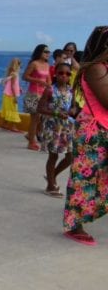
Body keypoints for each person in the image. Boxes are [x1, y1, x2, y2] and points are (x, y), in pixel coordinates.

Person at [63, 26, 108, 245]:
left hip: (104, 128)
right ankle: (74, 224)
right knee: (85, 179)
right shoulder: (96, 69)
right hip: (95, 131)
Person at [37, 62, 75, 198]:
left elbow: (74, 107)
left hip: (66, 127)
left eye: (68, 73)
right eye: (61, 73)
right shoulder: (50, 90)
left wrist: (71, 111)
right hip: (53, 126)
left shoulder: (71, 90)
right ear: (55, 74)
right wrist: (56, 114)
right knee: (53, 155)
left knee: (70, 156)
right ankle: (51, 185)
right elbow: (40, 108)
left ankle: (51, 176)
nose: (64, 76)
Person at [23, 44, 52, 150]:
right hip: (33, 94)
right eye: (45, 51)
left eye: (49, 52)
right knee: (35, 118)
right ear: (39, 52)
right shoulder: (34, 64)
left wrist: (50, 90)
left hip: (43, 95)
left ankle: (30, 135)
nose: (48, 54)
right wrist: (38, 81)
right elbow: (25, 76)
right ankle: (31, 142)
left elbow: (48, 80)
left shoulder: (47, 65)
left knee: (39, 118)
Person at [0, 58, 23, 131]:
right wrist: (15, 96)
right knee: (13, 110)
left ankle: (4, 124)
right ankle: (13, 126)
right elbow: (13, 85)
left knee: (7, 109)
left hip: (7, 94)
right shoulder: (14, 74)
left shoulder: (10, 73)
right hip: (11, 95)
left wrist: (19, 88)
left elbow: (11, 84)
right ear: (17, 65)